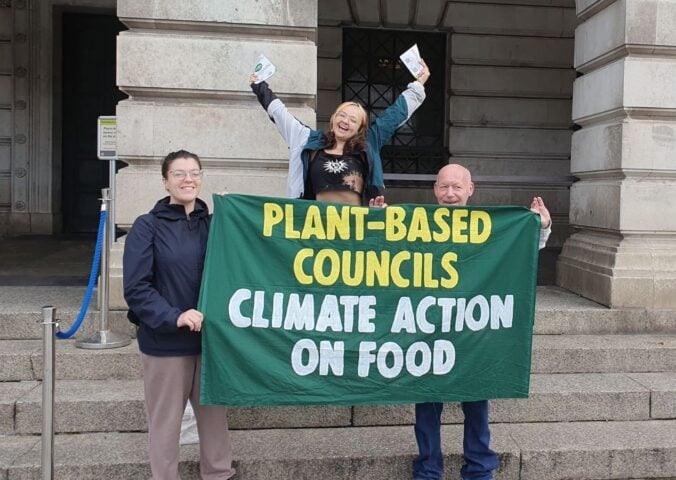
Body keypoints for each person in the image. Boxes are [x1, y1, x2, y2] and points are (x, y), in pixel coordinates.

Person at [413, 164, 551, 480]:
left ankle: (478, 467)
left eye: (457, 187)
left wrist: (538, 228)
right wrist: (373, 224)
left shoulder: (489, 228)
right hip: (427, 330)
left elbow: (521, 252)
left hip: (473, 334)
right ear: (435, 189)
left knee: (476, 404)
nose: (450, 194)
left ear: (470, 190)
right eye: (444, 187)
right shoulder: (414, 226)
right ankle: (428, 469)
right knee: (427, 407)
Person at [123, 150, 235, 480]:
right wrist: (175, 316)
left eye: (195, 173)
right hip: (166, 344)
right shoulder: (148, 226)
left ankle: (219, 474)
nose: (189, 180)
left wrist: (233, 215)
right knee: (165, 423)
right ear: (165, 181)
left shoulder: (214, 224)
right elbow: (136, 287)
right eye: (179, 174)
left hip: (210, 342)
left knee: (215, 421)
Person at [249, 60, 430, 206]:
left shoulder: (370, 141)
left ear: (360, 128)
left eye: (353, 120)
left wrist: (418, 85)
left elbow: (395, 114)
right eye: (341, 115)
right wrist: (259, 85)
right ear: (333, 119)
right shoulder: (308, 140)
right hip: (316, 226)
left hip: (354, 227)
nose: (345, 121)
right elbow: (282, 116)